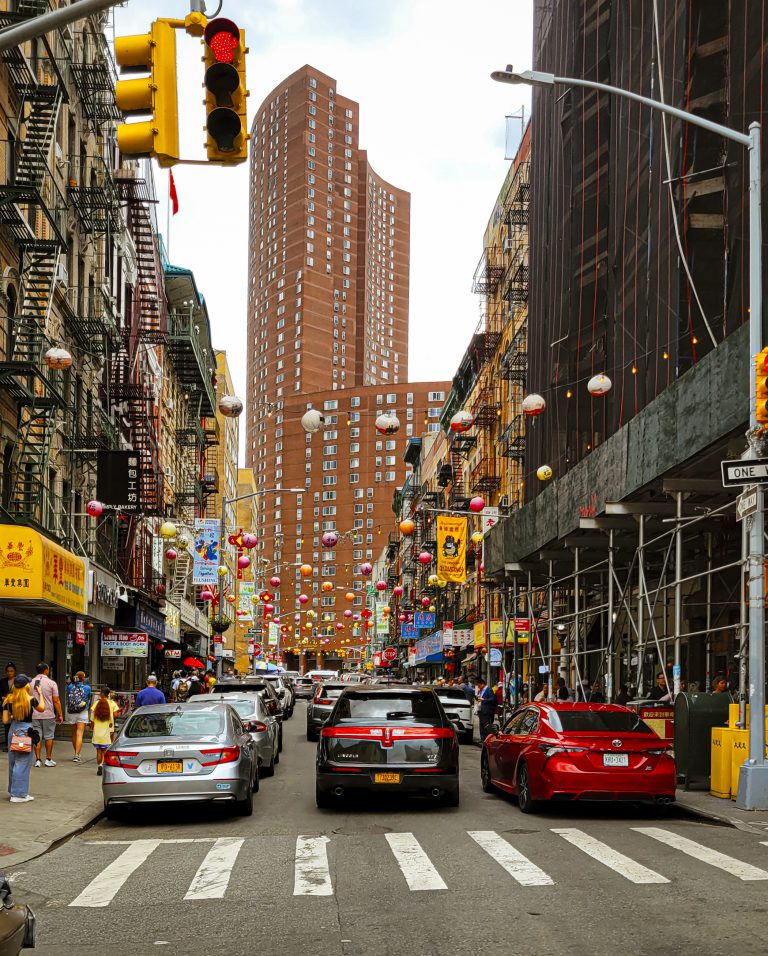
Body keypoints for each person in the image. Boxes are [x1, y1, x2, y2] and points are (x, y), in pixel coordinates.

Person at [2, 674, 45, 802]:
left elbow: (5, 720)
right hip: (25, 731)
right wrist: (40, 693)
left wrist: (12, 716)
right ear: (26, 686)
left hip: (13, 730)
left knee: (13, 762)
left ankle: (13, 791)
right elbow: (42, 708)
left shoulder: (8, 700)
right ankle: (18, 794)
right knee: (22, 763)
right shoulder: (30, 699)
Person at [30, 662, 62, 768]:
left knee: (37, 736)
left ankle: (38, 760)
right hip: (48, 714)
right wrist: (60, 714)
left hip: (34, 714)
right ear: (46, 670)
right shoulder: (51, 683)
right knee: (49, 737)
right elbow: (56, 700)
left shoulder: (30, 683)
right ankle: (48, 759)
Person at [90, 688, 119, 776]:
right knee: (105, 751)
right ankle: (102, 765)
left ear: (102, 694)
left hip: (97, 732)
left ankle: (99, 765)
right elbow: (116, 715)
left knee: (98, 750)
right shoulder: (112, 703)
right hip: (107, 731)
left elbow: (92, 719)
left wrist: (92, 727)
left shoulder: (97, 703)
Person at [66, 672, 92, 762]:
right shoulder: (87, 688)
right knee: (79, 734)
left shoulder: (70, 687)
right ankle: (77, 755)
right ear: (83, 678)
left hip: (72, 712)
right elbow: (88, 698)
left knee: (74, 733)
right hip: (82, 712)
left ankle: (76, 752)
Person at [0, 662, 17, 752]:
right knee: (7, 726)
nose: (9, 673)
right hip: (5, 707)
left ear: (14, 672)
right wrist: (2, 698)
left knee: (16, 726)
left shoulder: (18, 681)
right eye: (8, 671)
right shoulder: (2, 681)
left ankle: (15, 744)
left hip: (16, 707)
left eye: (11, 671)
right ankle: (8, 745)